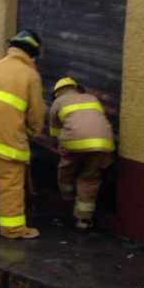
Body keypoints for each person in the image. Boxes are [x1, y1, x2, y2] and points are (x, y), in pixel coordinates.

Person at [0, 30, 46, 239]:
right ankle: (12, 229)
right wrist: (33, 131)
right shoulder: (30, 75)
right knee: (10, 186)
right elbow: (36, 113)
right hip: (8, 142)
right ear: (32, 53)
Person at [49, 77, 115, 230]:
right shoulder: (92, 98)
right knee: (90, 178)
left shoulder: (58, 102)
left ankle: (67, 197)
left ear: (57, 92)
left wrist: (59, 146)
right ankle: (84, 220)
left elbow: (54, 132)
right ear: (75, 87)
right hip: (103, 143)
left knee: (66, 170)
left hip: (74, 143)